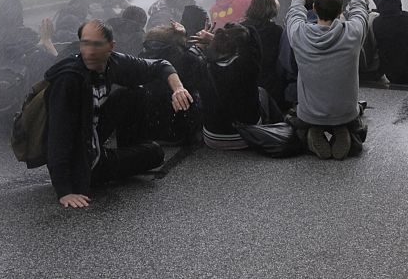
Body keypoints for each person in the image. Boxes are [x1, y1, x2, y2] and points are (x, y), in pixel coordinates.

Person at [44, 20, 193, 208]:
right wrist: (64, 190)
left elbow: (161, 65)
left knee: (133, 92)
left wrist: (178, 89)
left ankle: (129, 150)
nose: (89, 51)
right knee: (154, 153)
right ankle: (120, 159)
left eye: (97, 45)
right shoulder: (69, 80)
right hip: (84, 163)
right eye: (85, 43)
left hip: (90, 134)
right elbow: (57, 135)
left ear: (110, 47)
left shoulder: (113, 62)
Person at [286, 0, 368, 160]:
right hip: (345, 111)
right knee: (354, 115)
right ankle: (347, 133)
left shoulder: (299, 34)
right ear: (341, 10)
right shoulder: (353, 33)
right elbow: (359, 7)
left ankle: (312, 134)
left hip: (310, 112)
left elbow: (295, 9)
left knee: (294, 117)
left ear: (313, 9)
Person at [191, 22, 263, 150]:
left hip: (213, 137)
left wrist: (204, 44)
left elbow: (187, 58)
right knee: (262, 93)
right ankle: (277, 128)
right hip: (247, 136)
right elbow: (253, 37)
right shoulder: (247, 65)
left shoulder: (200, 66)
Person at [138, 23, 205, 144]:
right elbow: (203, 86)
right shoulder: (188, 59)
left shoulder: (141, 58)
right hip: (179, 130)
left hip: (148, 129)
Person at [242, 0, 287, 113]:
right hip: (272, 85)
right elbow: (283, 60)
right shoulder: (276, 31)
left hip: (246, 85)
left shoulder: (241, 29)